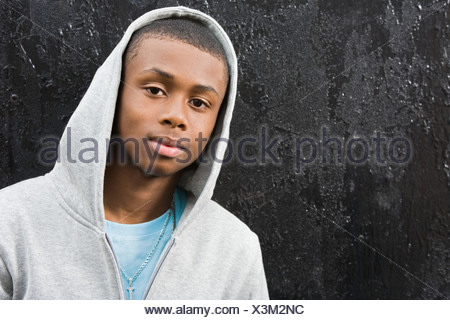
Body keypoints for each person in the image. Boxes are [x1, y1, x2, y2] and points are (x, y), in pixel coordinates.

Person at [0, 6, 269, 299]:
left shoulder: (235, 248)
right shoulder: (11, 223)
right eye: (154, 90)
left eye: (199, 102)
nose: (176, 116)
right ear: (112, 94)